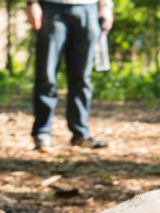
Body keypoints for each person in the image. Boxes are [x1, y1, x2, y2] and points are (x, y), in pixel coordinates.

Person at [26, 0, 114, 151]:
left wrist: (106, 6)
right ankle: (42, 134)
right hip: (50, 7)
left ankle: (81, 135)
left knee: (82, 78)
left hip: (88, 9)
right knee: (46, 76)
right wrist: (31, 3)